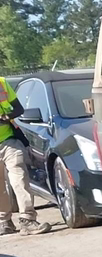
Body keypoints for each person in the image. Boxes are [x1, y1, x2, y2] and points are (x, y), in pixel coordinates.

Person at [0, 75, 50, 236]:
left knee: (19, 177)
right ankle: (4, 222)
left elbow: (19, 109)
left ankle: (27, 219)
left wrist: (6, 117)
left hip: (9, 140)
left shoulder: (1, 83)